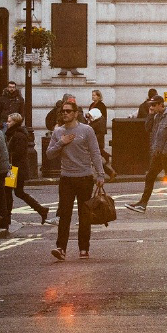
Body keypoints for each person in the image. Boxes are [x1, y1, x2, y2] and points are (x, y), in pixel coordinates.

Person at [46, 99, 106, 260]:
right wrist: (61, 142)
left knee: (84, 215)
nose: (64, 113)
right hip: (66, 178)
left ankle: (84, 249)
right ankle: (61, 248)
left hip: (85, 178)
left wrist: (100, 174)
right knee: (64, 215)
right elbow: (49, 154)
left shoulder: (86, 130)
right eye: (63, 111)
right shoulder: (58, 132)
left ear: (76, 113)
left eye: (68, 111)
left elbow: (95, 153)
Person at [127, 99, 167, 213]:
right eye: (150, 105)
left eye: (154, 105)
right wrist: (150, 115)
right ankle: (143, 204)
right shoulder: (156, 116)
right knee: (151, 177)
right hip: (157, 153)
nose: (152, 107)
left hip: (165, 154)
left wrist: (165, 151)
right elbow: (148, 129)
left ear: (160, 104)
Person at [5, 113, 50, 224]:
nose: (7, 123)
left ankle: (7, 217)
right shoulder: (14, 134)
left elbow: (18, 153)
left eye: (9, 121)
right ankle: (41, 210)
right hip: (15, 168)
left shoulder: (18, 135)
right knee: (17, 192)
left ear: (15, 122)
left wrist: (9, 155)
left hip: (15, 169)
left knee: (9, 192)